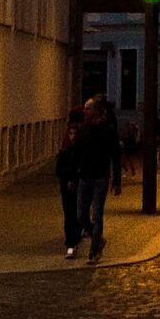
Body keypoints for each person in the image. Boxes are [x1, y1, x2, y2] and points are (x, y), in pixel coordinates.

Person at [75, 95, 123, 259]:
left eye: (88, 108)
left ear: (96, 110)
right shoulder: (83, 130)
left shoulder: (108, 131)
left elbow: (115, 156)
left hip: (101, 178)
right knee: (81, 214)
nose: (85, 111)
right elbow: (77, 153)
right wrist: (73, 175)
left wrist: (117, 181)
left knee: (97, 214)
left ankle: (94, 249)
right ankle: (97, 239)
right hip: (84, 176)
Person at [56, 107, 88, 258]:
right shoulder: (66, 151)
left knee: (76, 212)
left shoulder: (80, 150)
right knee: (70, 213)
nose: (72, 136)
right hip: (68, 185)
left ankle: (74, 240)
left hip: (79, 183)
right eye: (71, 134)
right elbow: (59, 169)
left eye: (75, 134)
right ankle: (71, 243)